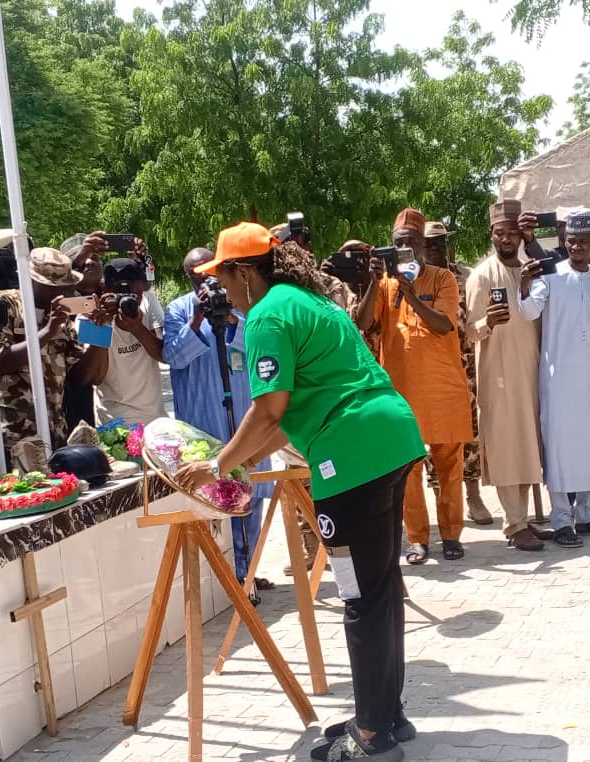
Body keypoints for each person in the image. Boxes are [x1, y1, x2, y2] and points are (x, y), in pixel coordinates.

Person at [175, 223, 424, 762]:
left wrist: (217, 465)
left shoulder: (266, 314)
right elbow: (284, 420)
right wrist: (235, 460)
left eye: (221, 276)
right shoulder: (311, 303)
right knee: (381, 589)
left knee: (360, 595)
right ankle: (384, 715)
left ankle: (373, 735)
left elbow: (267, 411)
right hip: (389, 437)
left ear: (245, 272)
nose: (220, 288)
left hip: (353, 454)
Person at [355, 208, 473, 565]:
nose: (404, 248)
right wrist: (375, 282)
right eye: (397, 244)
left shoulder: (442, 279)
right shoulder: (385, 284)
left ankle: (451, 535)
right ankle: (417, 539)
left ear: (423, 245)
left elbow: (443, 325)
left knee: (449, 466)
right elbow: (362, 322)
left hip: (443, 390)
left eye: (411, 243)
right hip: (401, 392)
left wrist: (409, 293)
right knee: (407, 468)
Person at [163, 248, 275, 587]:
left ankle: (249, 571)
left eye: (209, 273)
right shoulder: (178, 310)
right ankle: (225, 576)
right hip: (204, 418)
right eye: (196, 276)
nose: (206, 282)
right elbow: (173, 356)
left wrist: (231, 321)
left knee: (251, 494)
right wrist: (197, 319)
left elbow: (259, 346)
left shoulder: (243, 304)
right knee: (214, 496)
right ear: (188, 278)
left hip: (243, 412)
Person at [519, 208, 590, 547]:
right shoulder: (550, 276)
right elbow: (529, 311)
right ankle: (562, 520)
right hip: (558, 378)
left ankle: (588, 515)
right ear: (564, 242)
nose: (576, 246)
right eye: (571, 241)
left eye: (583, 241)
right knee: (562, 448)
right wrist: (524, 286)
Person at [465, 200, 548, 550]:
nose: (507, 239)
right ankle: (514, 525)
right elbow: (469, 330)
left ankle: (525, 519)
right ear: (492, 235)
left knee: (528, 443)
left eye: (513, 233)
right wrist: (489, 323)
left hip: (531, 370)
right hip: (498, 373)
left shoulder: (533, 270)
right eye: (501, 233)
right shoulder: (482, 275)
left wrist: (527, 285)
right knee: (505, 446)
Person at [0, 248, 106, 453]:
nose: (61, 292)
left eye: (65, 286)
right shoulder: (2, 304)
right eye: (52, 286)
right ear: (30, 280)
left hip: (55, 435)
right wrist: (48, 332)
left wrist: (99, 334)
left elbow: (83, 377)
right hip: (13, 438)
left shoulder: (60, 316)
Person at [421, 220, 492, 525]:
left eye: (440, 243)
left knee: (470, 432)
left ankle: (472, 494)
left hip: (465, 365)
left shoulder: (466, 277)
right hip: (430, 370)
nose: (435, 249)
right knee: (432, 436)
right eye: (429, 244)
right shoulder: (417, 281)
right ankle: (441, 498)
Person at [93, 258, 166, 426]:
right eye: (123, 295)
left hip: (155, 419)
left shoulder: (149, 304)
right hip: (113, 424)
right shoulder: (91, 317)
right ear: (105, 291)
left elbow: (164, 355)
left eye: (137, 295)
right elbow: (95, 376)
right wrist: (102, 326)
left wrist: (137, 328)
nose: (132, 301)